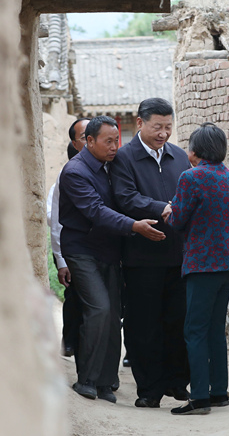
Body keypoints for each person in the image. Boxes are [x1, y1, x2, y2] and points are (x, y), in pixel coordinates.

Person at [59, 116, 165, 403]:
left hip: (110, 250)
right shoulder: (75, 172)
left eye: (117, 140)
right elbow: (96, 211)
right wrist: (134, 226)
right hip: (82, 250)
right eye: (108, 141)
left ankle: (106, 382)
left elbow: (125, 198)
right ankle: (87, 379)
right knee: (99, 309)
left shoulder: (110, 167)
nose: (114, 147)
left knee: (113, 313)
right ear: (89, 141)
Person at [109, 98, 192, 409]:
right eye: (157, 127)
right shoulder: (125, 158)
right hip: (141, 259)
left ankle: (176, 382)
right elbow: (125, 197)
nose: (163, 134)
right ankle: (149, 389)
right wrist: (162, 208)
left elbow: (188, 193)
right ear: (140, 123)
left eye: (168, 127)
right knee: (143, 325)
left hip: (179, 256)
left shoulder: (179, 156)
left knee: (177, 321)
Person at [163, 123, 229, 415]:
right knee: (215, 329)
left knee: (195, 330)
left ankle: (199, 396)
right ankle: (219, 391)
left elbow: (177, 221)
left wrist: (169, 210)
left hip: (203, 263)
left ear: (196, 151)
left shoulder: (191, 177)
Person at [50, 118, 89, 358]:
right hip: (75, 251)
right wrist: (61, 260)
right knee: (76, 297)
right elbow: (54, 221)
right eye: (86, 136)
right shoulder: (67, 177)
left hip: (106, 252)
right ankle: (71, 341)